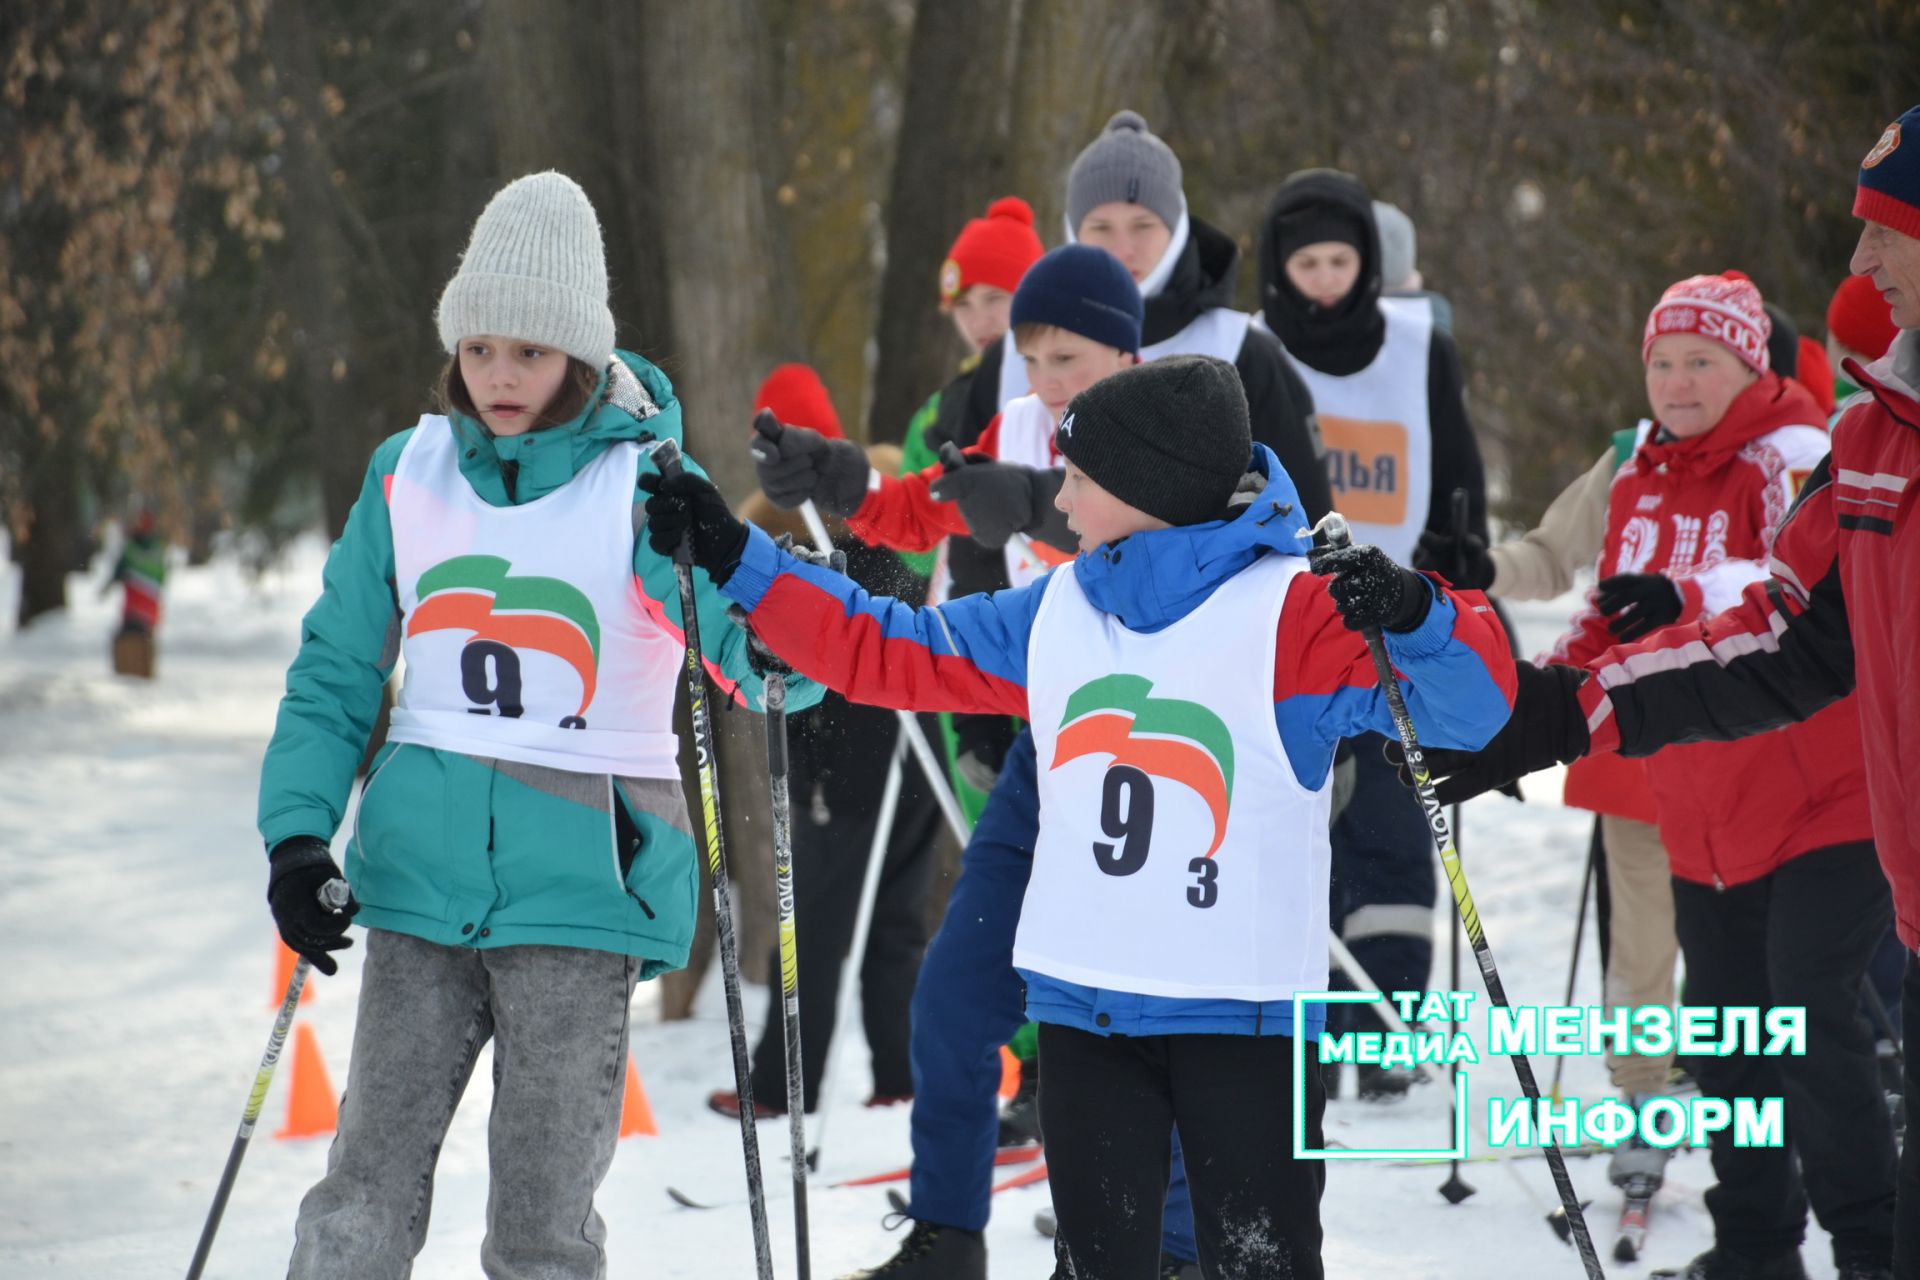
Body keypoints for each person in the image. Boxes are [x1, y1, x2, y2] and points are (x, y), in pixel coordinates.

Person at [643, 353, 1517, 1280]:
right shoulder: (1062, 606)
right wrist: (742, 559)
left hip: (1244, 1021)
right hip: (1085, 1017)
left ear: (1148, 491)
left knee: (1261, 1264)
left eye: (1080, 479)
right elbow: (884, 647)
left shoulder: (1295, 614)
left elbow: (1476, 710)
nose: (1059, 503)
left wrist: (1420, 612)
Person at [255, 172, 816, 1279]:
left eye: (528, 351)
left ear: (578, 355)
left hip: (584, 902)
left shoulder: (646, 483)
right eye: (478, 349)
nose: (499, 375)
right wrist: (297, 838)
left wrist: (803, 619)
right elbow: (334, 672)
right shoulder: (406, 474)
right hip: (417, 886)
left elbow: (755, 669)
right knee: (358, 1198)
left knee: (540, 1227)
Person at [1402, 106, 1920, 1280]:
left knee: (1806, 1022)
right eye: (1663, 359)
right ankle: (1754, 1243)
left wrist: (1669, 614)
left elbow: (1769, 592)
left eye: (1703, 359)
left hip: (1814, 795)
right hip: (1692, 793)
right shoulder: (1636, 461)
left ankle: (1868, 1241)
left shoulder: (1797, 447)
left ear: (1750, 364)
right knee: (1726, 1034)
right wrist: (1527, 681)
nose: (1679, 379)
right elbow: (1589, 576)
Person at [1255, 167, 1492, 1097]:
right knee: (1306, 834)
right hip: (1294, 629)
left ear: (1367, 263)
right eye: (1305, 261)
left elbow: (1456, 457)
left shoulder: (1418, 345)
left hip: (1398, 620)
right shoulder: (1256, 349)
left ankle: (1392, 1038)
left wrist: (1458, 560)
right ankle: (1305, 1035)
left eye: (1338, 259)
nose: (1322, 278)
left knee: (1395, 832)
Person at [706, 364, 941, 1121]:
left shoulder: (858, 544)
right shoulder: (800, 543)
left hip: (864, 773)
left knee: (811, 935)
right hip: (901, 769)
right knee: (885, 933)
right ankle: (898, 1079)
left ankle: (783, 1088)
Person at [104, 509, 166, 677]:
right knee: (141, 633)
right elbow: (162, 575)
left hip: (139, 600)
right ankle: (137, 665)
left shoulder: (132, 548)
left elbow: (120, 569)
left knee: (134, 632)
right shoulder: (155, 548)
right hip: (145, 600)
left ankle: (132, 665)